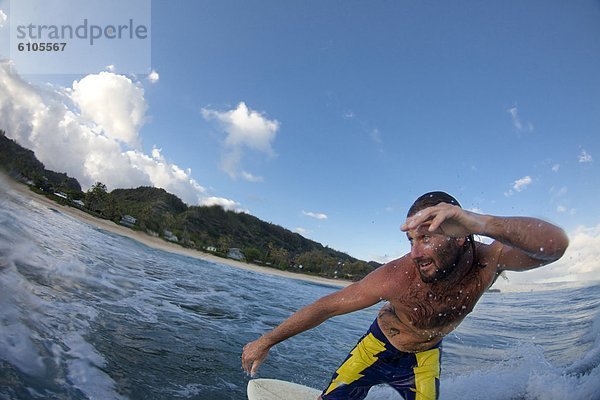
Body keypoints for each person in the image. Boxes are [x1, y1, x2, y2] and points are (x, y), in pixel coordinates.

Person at [241, 191, 569, 400]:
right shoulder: (395, 277)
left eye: (425, 238)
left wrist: (480, 222)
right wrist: (267, 340)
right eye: (410, 240)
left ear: (459, 236)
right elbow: (326, 307)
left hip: (425, 358)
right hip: (377, 348)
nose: (414, 253)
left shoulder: (489, 260)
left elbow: (553, 247)